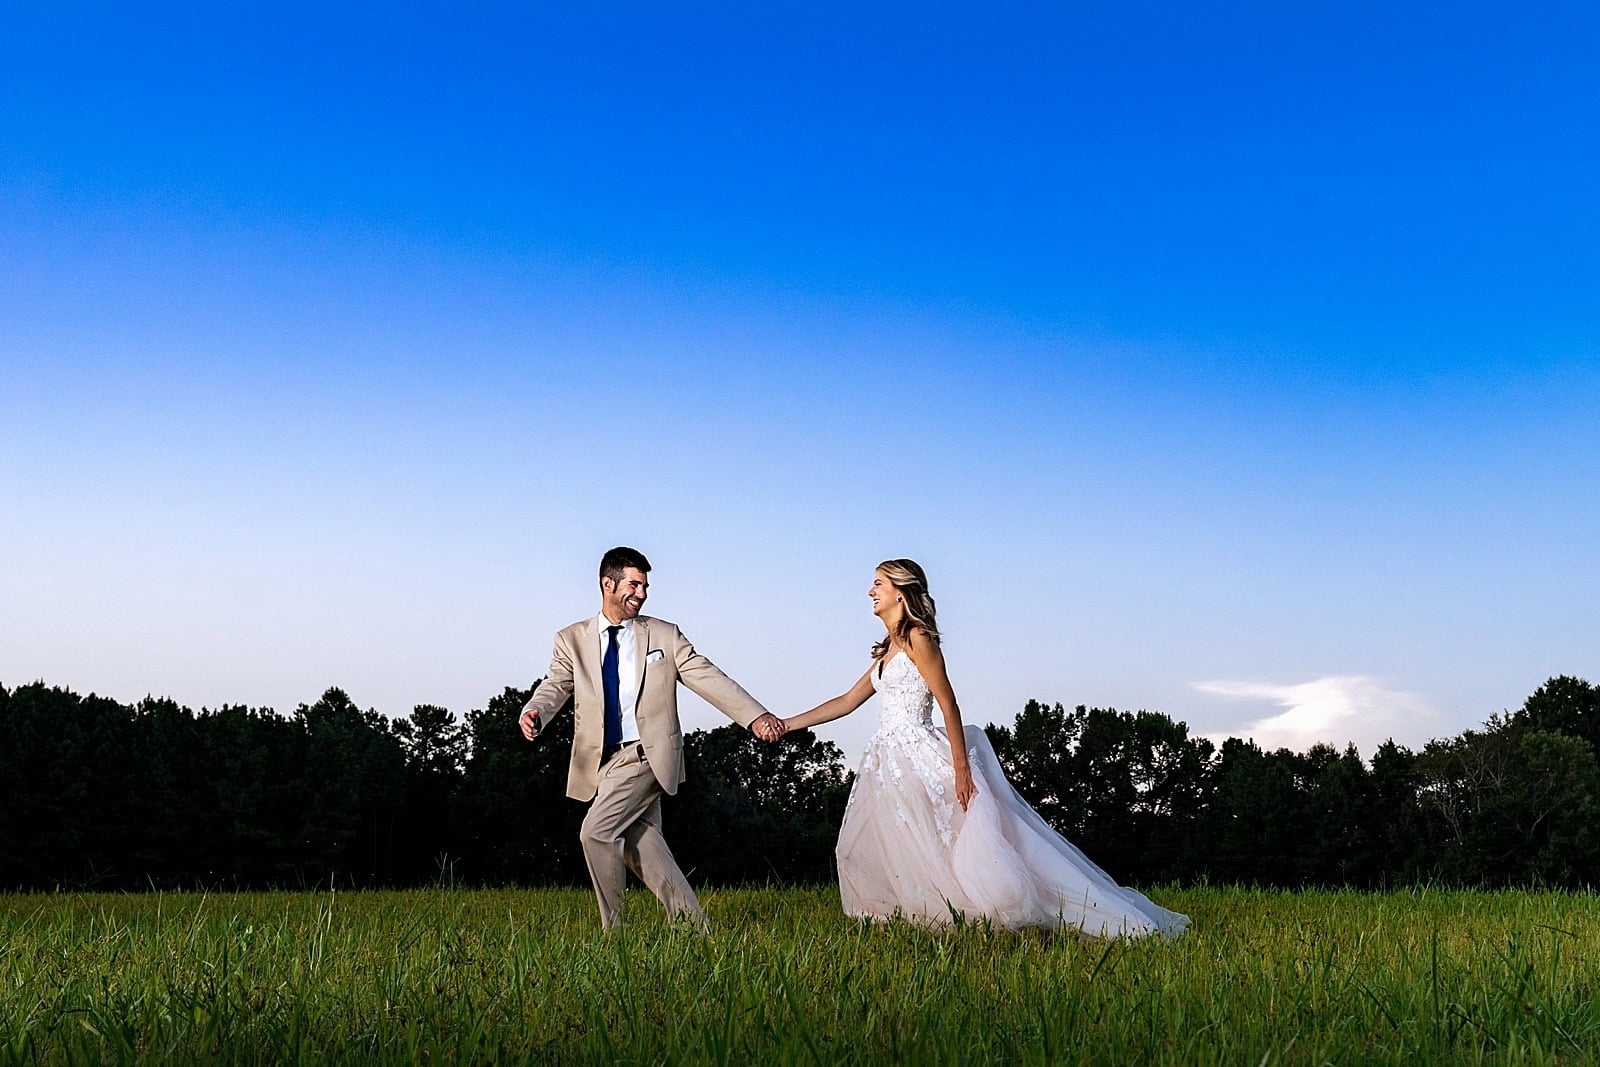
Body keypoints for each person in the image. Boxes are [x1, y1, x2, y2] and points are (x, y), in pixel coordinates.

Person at [766, 559, 1188, 937]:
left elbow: (948, 703)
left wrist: (962, 770)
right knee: (903, 845)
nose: (870, 592)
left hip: (922, 754)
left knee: (951, 844)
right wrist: (786, 724)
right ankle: (924, 917)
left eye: (877, 583)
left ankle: (999, 912)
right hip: (888, 761)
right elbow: (845, 701)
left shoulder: (918, 639)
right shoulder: (889, 650)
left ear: (900, 590)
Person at [520, 547, 784, 930]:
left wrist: (755, 716)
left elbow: (707, 676)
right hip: (602, 762)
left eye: (645, 586)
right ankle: (695, 927)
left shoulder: (663, 634)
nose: (641, 594)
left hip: (647, 754)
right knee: (641, 845)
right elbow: (556, 684)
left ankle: (616, 933)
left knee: (596, 834)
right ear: (607, 584)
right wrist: (536, 711)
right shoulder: (571, 639)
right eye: (634, 584)